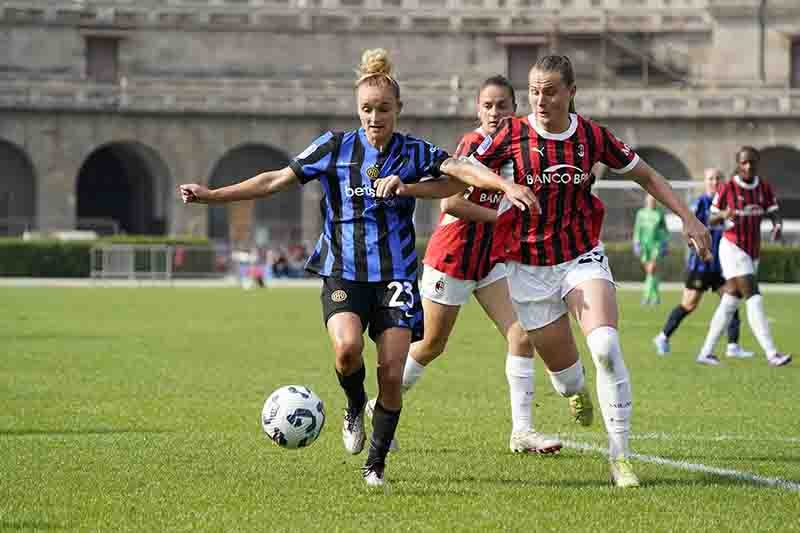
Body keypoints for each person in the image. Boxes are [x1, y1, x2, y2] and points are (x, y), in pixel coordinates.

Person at [178, 48, 536, 487]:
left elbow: (461, 170)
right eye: (366, 109)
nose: (374, 117)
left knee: (390, 373)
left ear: (398, 110)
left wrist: (501, 184)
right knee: (347, 351)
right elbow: (274, 180)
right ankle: (352, 406)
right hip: (344, 271)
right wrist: (211, 195)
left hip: (396, 277)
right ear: (357, 110)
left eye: (383, 109)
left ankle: (376, 465)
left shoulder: (412, 152)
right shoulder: (334, 147)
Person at [462, 55, 712, 487]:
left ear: (571, 92)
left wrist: (689, 218)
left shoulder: (593, 137)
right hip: (528, 268)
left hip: (581, 256)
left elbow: (647, 176)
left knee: (606, 348)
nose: (541, 99)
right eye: (535, 90)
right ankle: (575, 393)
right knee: (569, 378)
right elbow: (462, 167)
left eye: (551, 90)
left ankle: (621, 458)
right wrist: (504, 185)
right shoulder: (510, 132)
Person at [368, 75, 564, 456]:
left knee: (522, 334)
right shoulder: (472, 146)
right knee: (430, 345)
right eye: (487, 106)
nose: (494, 113)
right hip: (453, 257)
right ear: (477, 109)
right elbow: (450, 204)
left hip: (489, 260)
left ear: (515, 109)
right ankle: (378, 406)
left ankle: (522, 431)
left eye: (502, 106)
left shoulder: (519, 151)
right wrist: (505, 218)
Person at [695, 147, 792, 367]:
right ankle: (772, 353)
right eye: (744, 162)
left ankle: (706, 352)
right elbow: (710, 219)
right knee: (754, 296)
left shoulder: (763, 187)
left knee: (730, 301)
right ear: (738, 164)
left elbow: (774, 212)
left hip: (752, 250)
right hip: (733, 247)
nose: (748, 166)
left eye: (752, 162)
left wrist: (777, 226)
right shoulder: (728, 187)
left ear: (757, 163)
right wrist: (723, 214)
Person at [653, 168, 752, 359]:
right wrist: (699, 249)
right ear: (705, 182)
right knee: (689, 304)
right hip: (700, 265)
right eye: (711, 179)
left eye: (718, 178)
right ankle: (663, 337)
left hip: (721, 265)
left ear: (723, 181)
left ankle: (733, 346)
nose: (714, 182)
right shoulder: (700, 203)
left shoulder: (729, 204)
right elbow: (689, 230)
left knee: (731, 300)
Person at [633, 194, 669, 305]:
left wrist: (664, 243)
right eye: (650, 200)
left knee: (652, 270)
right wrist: (636, 243)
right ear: (646, 201)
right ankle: (655, 296)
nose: (652, 202)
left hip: (656, 246)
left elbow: (664, 230)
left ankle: (647, 297)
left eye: (654, 200)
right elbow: (637, 229)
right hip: (644, 247)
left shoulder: (660, 213)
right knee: (650, 273)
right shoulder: (641, 214)